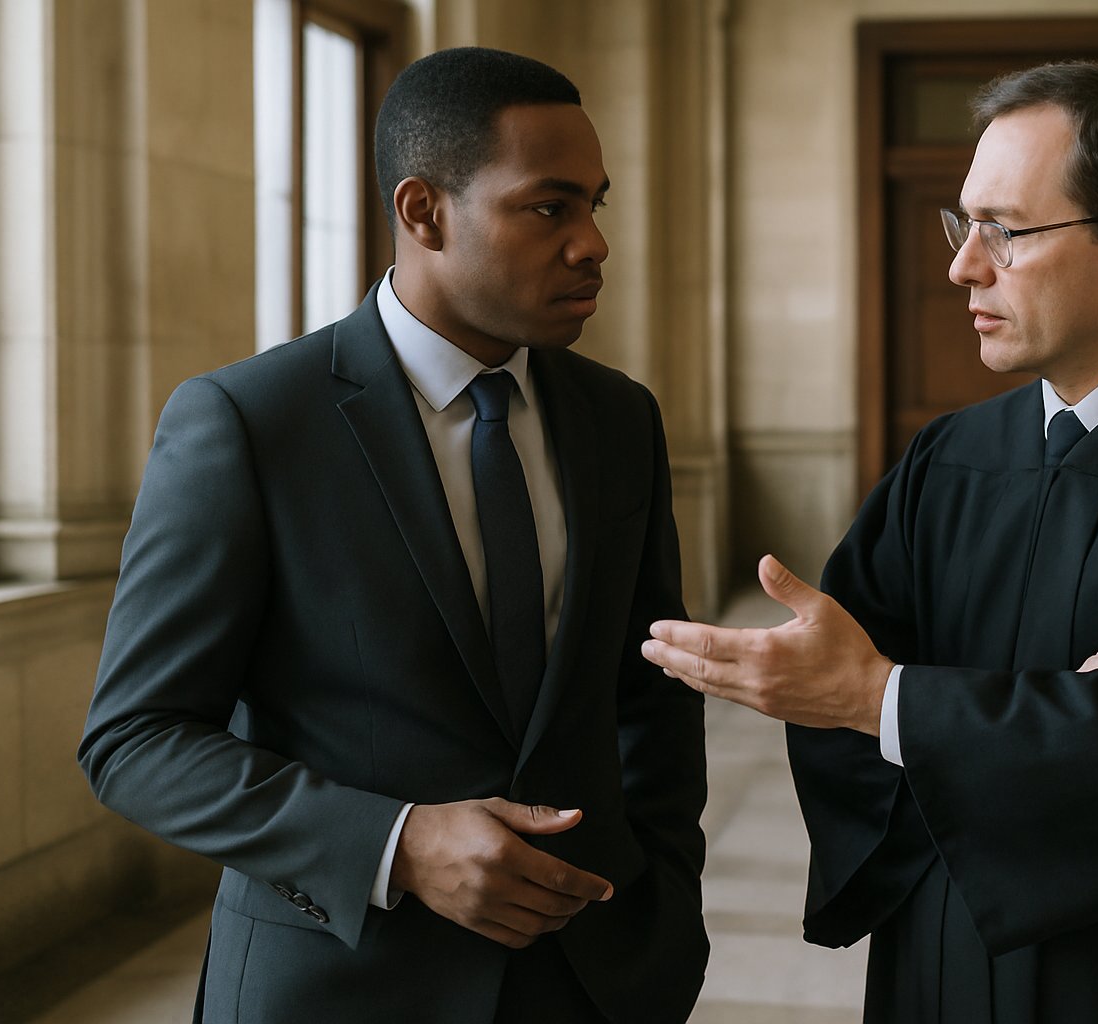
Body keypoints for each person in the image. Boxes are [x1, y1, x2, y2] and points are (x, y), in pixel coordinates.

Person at [641, 61, 1098, 1023]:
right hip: (947, 959)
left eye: (1007, 230)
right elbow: (841, 711)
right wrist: (1067, 708)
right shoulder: (948, 459)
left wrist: (892, 699)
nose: (963, 265)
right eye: (964, 225)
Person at [79, 48, 706, 1024]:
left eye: (597, 204)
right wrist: (397, 843)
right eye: (550, 207)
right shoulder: (249, 423)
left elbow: (648, 694)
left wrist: (668, 914)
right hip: (341, 984)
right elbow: (135, 739)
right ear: (424, 212)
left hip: (591, 980)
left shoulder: (620, 420)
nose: (593, 244)